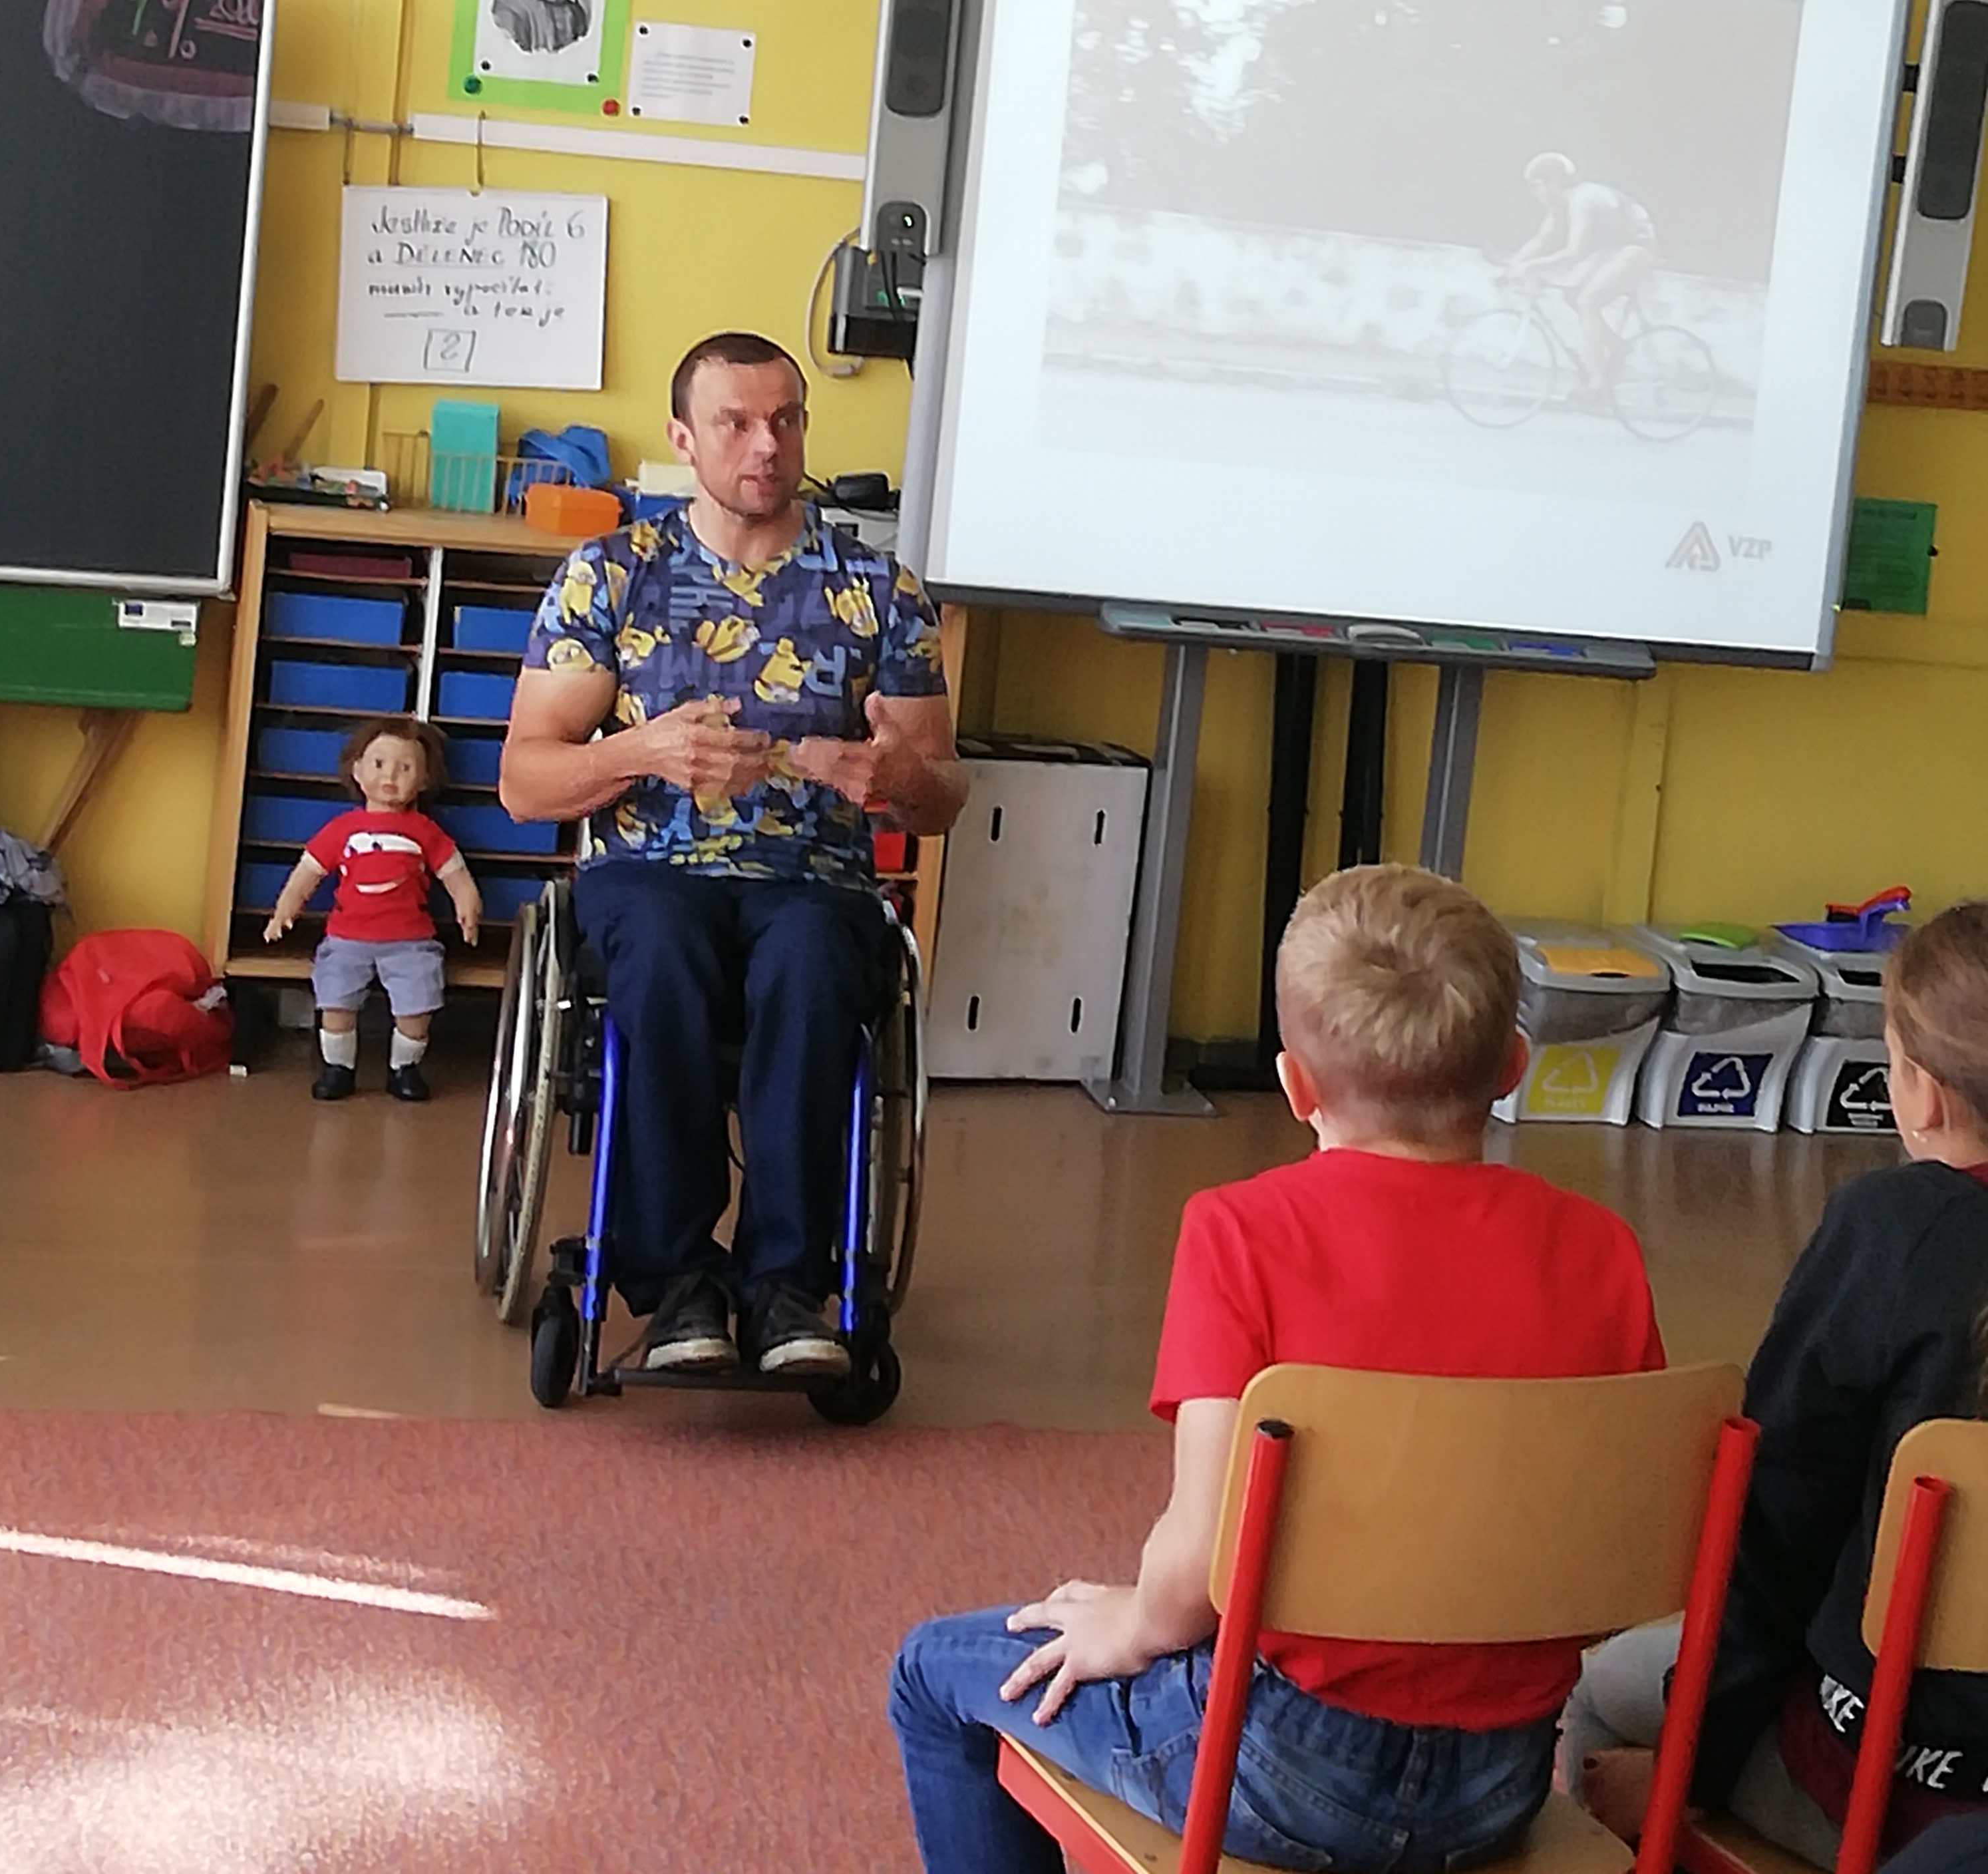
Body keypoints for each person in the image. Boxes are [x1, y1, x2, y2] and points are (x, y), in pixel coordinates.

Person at [888, 863, 1665, 1874]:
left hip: (1280, 1766)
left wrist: (1132, 1621)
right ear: (1513, 1064)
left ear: (1295, 1085)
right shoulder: (1603, 1251)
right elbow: (1620, 1556)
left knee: (933, 1670)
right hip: (1502, 1779)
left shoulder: (1243, 1234)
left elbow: (1200, 1566)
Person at [498, 330, 966, 1379]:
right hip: (649, 875)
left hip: (814, 878)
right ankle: (676, 1284)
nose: (766, 444)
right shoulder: (612, 575)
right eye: (737, 423)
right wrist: (643, 751)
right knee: (661, 953)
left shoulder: (877, 591)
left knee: (811, 961)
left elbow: (942, 795)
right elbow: (524, 783)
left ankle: (786, 1285)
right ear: (683, 438)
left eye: (785, 420)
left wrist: (896, 777)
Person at [1568, 902, 1988, 1868]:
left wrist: (1694, 1767)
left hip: (1891, 1779)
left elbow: (1772, 1529)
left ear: (1922, 1094)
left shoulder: (1892, 1231)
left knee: (1597, 1690)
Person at [264, 717, 481, 1104]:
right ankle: (338, 1068)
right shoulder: (342, 829)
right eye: (379, 764)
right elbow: (307, 873)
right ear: (357, 770)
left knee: (417, 1008)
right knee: (335, 1002)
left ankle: (404, 1068)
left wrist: (468, 904)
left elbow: (455, 873)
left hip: (411, 941)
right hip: (346, 937)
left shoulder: (425, 831)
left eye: (405, 768)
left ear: (425, 780)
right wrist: (285, 909)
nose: (390, 776)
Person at [1508, 150, 1657, 397]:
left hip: (1637, 248)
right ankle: (1615, 348)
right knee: (1571, 295)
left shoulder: (1583, 200)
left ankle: (1598, 383)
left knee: (1588, 301)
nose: (1534, 193)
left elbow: (1573, 253)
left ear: (1555, 182)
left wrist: (1532, 266)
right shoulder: (1559, 206)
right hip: (1612, 249)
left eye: (1537, 186)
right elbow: (1542, 240)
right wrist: (1515, 263)